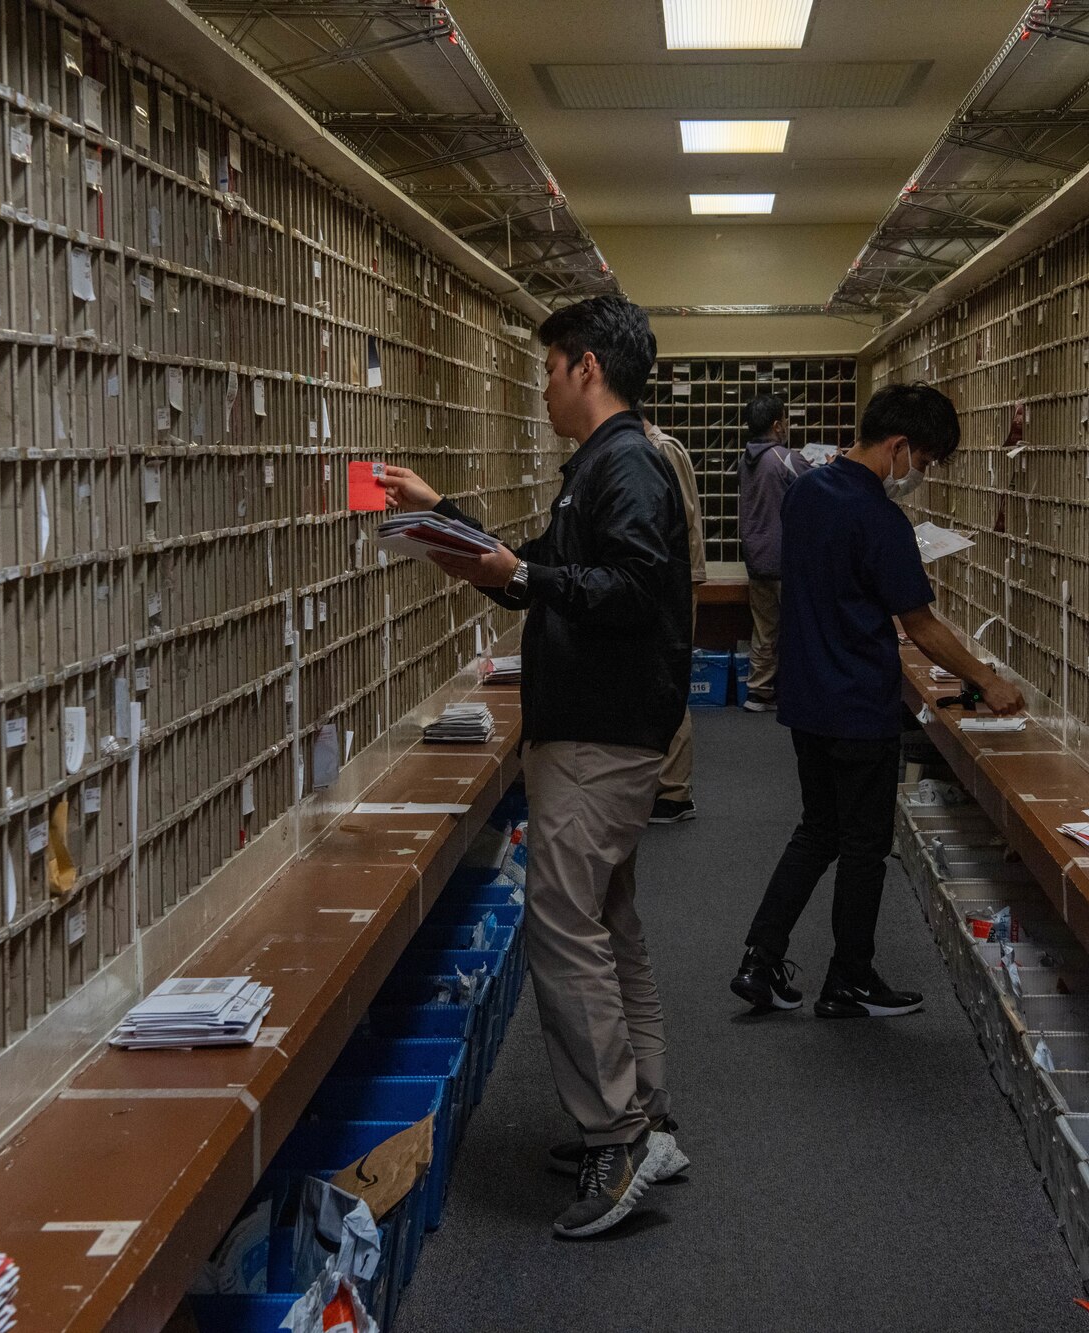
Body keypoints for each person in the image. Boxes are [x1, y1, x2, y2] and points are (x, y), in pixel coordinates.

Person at [375, 295, 692, 1238]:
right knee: (606, 919)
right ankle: (647, 1116)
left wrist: (519, 574)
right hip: (602, 727)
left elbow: (626, 591)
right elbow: (548, 568)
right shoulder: (603, 464)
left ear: (585, 366)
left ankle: (616, 1136)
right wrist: (449, 523)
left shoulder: (625, 463)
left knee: (561, 925)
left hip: (602, 732)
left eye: (548, 368)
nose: (542, 387)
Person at [730, 383, 1023, 1019]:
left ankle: (760, 957)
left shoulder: (806, 491)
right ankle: (850, 979)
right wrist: (987, 680)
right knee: (864, 846)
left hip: (805, 695)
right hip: (859, 701)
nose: (923, 474)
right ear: (899, 446)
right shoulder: (880, 518)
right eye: (925, 461)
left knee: (816, 831)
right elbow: (921, 626)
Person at [643, 415, 707, 823]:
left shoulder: (662, 448)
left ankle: (673, 792)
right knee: (656, 677)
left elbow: (679, 521)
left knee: (670, 677)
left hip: (675, 580)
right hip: (664, 579)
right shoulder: (647, 448)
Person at [735, 393, 807, 713]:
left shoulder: (745, 458)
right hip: (783, 559)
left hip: (755, 557)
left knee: (764, 629)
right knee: (797, 629)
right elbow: (816, 484)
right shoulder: (783, 457)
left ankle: (758, 691)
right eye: (786, 420)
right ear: (777, 426)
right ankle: (794, 692)